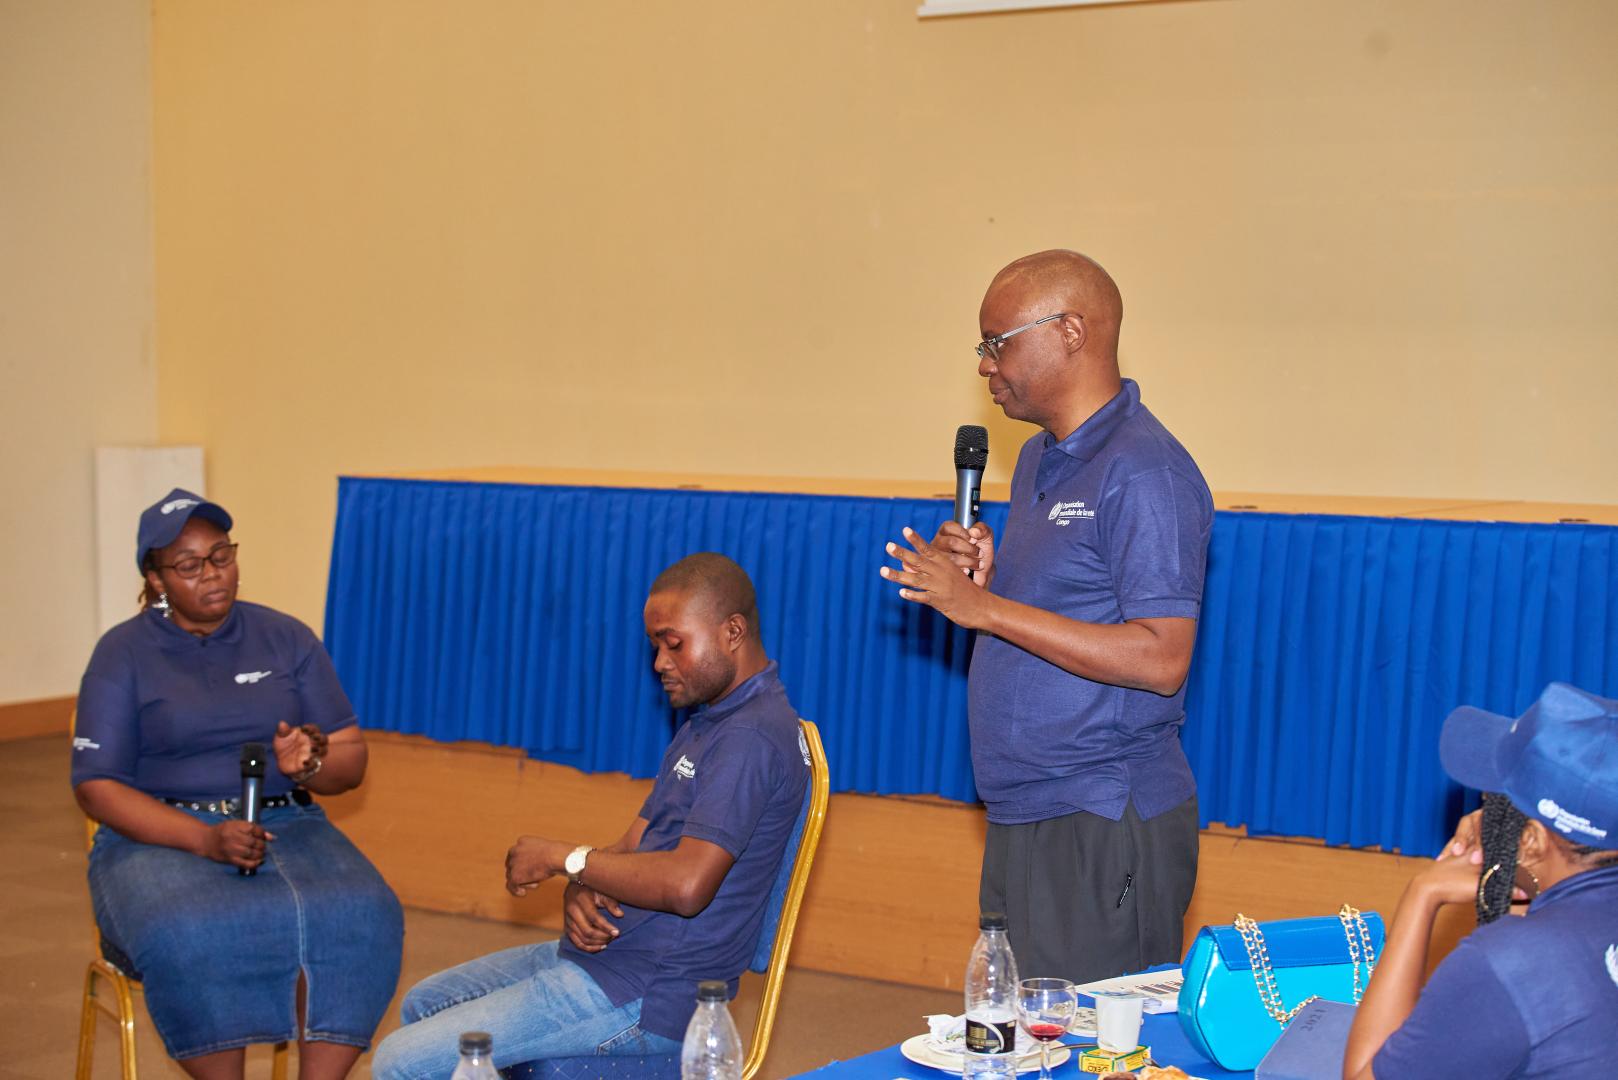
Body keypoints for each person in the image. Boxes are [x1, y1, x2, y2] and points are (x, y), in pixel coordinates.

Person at [880, 249, 1213, 982]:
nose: (984, 366)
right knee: (1013, 1027)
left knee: (1087, 1036)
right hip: (1024, 808)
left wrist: (987, 609)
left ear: (1070, 331)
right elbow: (1073, 602)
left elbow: (1162, 658)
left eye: (996, 343)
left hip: (1102, 814)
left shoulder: (1146, 472)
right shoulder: (1039, 458)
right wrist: (994, 578)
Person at [371, 553, 809, 1079]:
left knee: (398, 1063)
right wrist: (583, 883)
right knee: (425, 1002)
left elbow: (687, 885)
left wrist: (566, 859)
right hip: (616, 955)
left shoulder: (749, 738)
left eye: (674, 643)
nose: (660, 663)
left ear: (732, 631)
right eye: (654, 646)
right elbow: (633, 844)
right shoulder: (711, 720)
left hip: (649, 992)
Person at [71, 488, 403, 1080]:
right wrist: (203, 839)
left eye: (221, 555)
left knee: (364, 911)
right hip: (159, 833)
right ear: (155, 578)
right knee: (195, 929)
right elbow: (97, 786)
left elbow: (350, 761)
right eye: (189, 565)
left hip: (286, 821)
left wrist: (310, 765)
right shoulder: (122, 653)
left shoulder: (285, 637)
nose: (212, 574)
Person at [1342, 682, 1618, 1079]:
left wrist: (1423, 893)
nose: (1487, 810)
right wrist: (1514, 856)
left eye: (1496, 799)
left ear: (1532, 840)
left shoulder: (1507, 963)